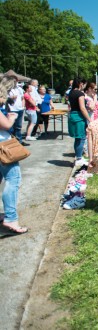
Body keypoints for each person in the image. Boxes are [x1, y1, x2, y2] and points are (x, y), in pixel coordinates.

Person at [0, 75, 28, 235]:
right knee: (13, 179)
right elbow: (5, 124)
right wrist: (11, 118)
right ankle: (11, 218)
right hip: (3, 147)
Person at [68, 78, 91, 163]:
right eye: (85, 84)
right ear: (81, 84)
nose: (85, 86)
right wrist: (89, 119)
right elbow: (82, 107)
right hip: (79, 117)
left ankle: (78, 156)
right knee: (81, 138)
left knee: (77, 138)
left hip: (73, 115)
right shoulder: (80, 94)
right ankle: (79, 158)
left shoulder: (71, 92)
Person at [8, 81, 26, 145]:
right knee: (11, 127)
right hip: (12, 109)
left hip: (20, 109)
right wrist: (11, 97)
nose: (15, 82)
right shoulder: (8, 89)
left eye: (16, 81)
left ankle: (19, 140)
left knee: (18, 126)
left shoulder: (19, 89)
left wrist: (23, 106)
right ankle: (12, 142)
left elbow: (23, 98)